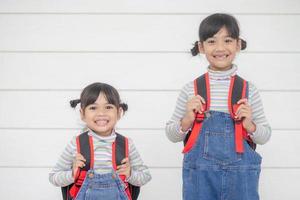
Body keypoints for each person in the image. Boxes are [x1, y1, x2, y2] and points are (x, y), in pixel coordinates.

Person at [165, 13, 271, 200]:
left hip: (241, 178)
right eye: (212, 41)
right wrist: (187, 120)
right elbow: (171, 134)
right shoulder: (191, 90)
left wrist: (250, 126)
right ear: (201, 47)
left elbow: (265, 136)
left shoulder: (249, 90)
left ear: (238, 44)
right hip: (201, 178)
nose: (220, 48)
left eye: (227, 40)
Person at [49, 82, 151, 200]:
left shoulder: (127, 145)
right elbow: (54, 177)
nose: (101, 113)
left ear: (119, 112)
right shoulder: (76, 145)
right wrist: (72, 174)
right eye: (93, 108)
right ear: (82, 114)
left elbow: (145, 176)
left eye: (108, 107)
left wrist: (130, 174)